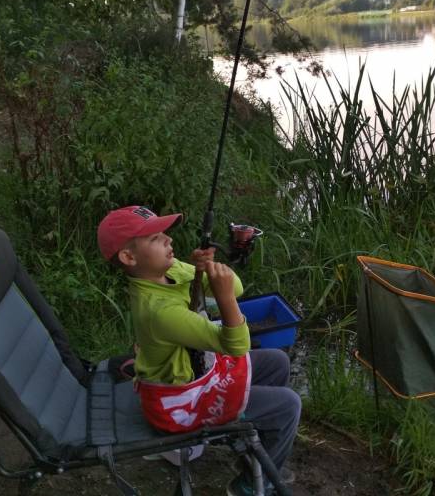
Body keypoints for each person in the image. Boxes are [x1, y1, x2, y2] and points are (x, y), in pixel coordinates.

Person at [97, 205, 300, 495]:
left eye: (164, 233)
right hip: (179, 404)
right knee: (288, 406)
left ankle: (251, 450)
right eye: (155, 238)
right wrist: (225, 298)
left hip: (197, 375)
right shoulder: (158, 311)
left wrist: (206, 273)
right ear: (129, 257)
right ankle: (250, 485)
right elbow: (236, 345)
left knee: (278, 362)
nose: (168, 240)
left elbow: (237, 287)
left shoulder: (171, 270)